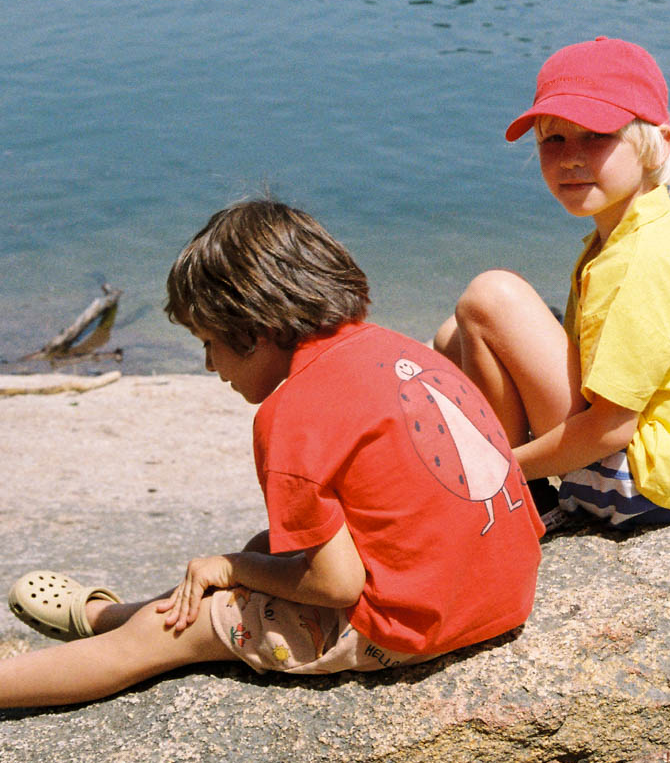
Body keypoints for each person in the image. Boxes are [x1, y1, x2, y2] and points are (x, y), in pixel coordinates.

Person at [3, 201, 542, 709]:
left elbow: (338, 585)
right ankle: (110, 614)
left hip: (410, 627)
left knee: (172, 631)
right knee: (271, 548)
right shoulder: (401, 350)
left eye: (209, 342)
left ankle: (112, 626)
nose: (211, 366)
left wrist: (236, 567)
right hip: (505, 593)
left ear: (254, 334)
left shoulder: (291, 415)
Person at [435, 36, 670, 530]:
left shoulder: (646, 260)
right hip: (668, 473)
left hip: (643, 481)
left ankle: (516, 497)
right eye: (553, 140)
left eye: (597, 136)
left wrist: (503, 470)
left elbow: (609, 427)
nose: (571, 158)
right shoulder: (633, 233)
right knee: (454, 339)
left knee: (490, 296)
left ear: (658, 145)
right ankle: (529, 490)